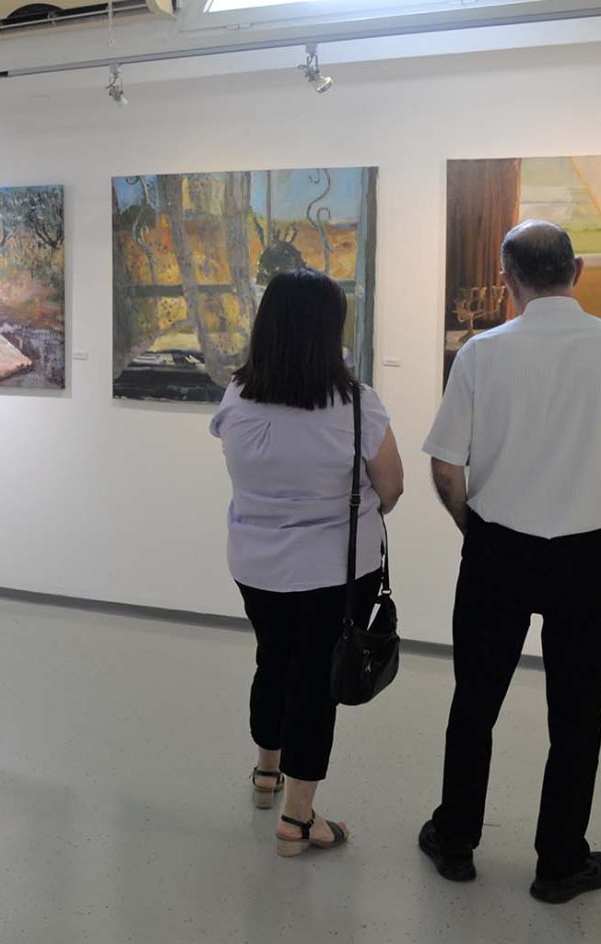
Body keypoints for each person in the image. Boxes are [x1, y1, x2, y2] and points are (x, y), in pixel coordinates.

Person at [418, 219, 601, 903]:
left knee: (474, 702)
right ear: (579, 269)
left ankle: (455, 841)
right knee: (576, 715)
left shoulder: (481, 353)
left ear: (507, 280)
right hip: (591, 557)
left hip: (497, 551)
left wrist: (474, 529)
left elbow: (446, 467)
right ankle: (560, 863)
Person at [210, 268, 404, 857]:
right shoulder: (356, 405)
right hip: (335, 571)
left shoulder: (237, 396)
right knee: (316, 684)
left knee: (273, 660)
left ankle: (266, 773)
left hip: (255, 565)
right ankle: (297, 821)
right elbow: (391, 487)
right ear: (328, 330)